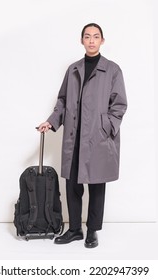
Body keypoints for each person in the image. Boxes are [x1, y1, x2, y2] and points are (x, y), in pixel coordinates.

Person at [37, 23, 127, 248]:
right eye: (87, 37)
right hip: (74, 136)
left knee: (97, 185)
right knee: (72, 185)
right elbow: (62, 100)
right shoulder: (73, 69)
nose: (92, 40)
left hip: (98, 138)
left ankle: (92, 232)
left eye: (96, 37)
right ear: (81, 40)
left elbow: (119, 105)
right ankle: (75, 229)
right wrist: (51, 121)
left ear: (102, 41)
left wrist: (106, 126)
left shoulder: (112, 70)